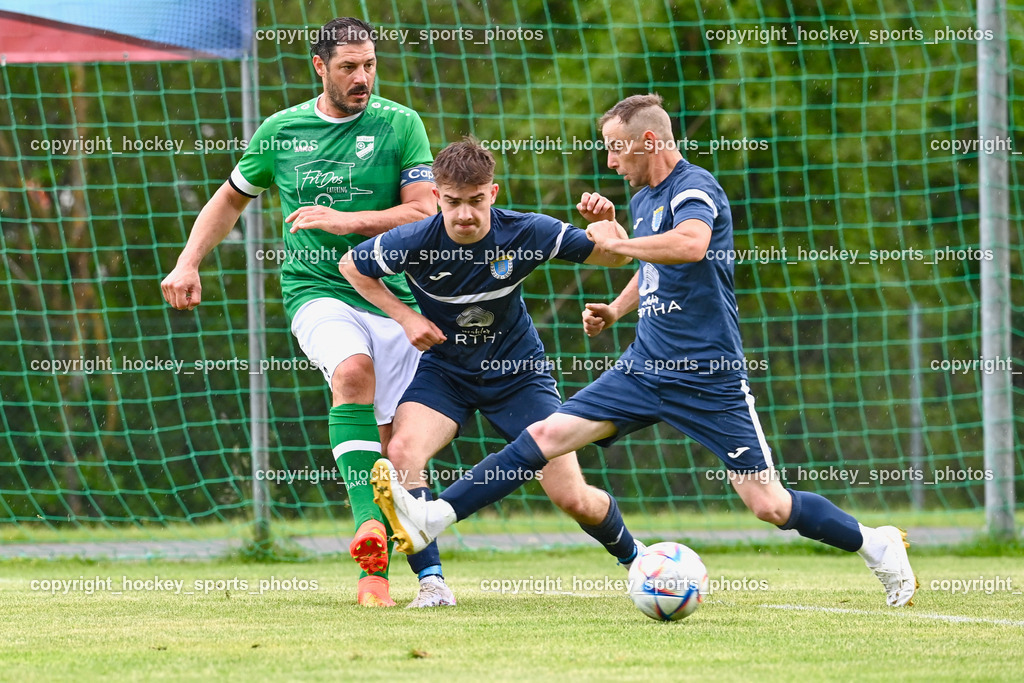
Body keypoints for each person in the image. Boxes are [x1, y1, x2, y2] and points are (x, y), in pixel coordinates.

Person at [371, 94, 918, 608]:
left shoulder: (693, 186)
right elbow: (655, 265)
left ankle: (877, 544)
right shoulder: (643, 197)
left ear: (649, 142)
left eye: (616, 147)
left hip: (706, 375)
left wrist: (617, 242)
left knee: (768, 505)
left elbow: (690, 245)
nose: (611, 161)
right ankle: (435, 517)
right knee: (545, 436)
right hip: (643, 368)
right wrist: (616, 308)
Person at [160, 17, 436, 607]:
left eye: (369, 65)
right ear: (319, 67)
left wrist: (346, 221)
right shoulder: (282, 130)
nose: (362, 78)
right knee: (352, 373)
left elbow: (423, 212)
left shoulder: (400, 124)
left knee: (393, 452)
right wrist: (188, 263)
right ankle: (369, 531)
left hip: (392, 299)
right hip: (315, 291)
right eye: (348, 67)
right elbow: (230, 198)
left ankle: (384, 577)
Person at [338, 139, 642, 607]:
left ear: (493, 193)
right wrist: (407, 317)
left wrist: (609, 225)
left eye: (476, 201)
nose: (465, 214)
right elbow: (352, 265)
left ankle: (638, 560)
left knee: (572, 497)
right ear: (436, 197)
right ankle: (432, 584)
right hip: (446, 372)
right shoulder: (414, 241)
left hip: (519, 375)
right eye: (453, 202)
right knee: (401, 450)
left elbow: (617, 256)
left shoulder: (526, 231)